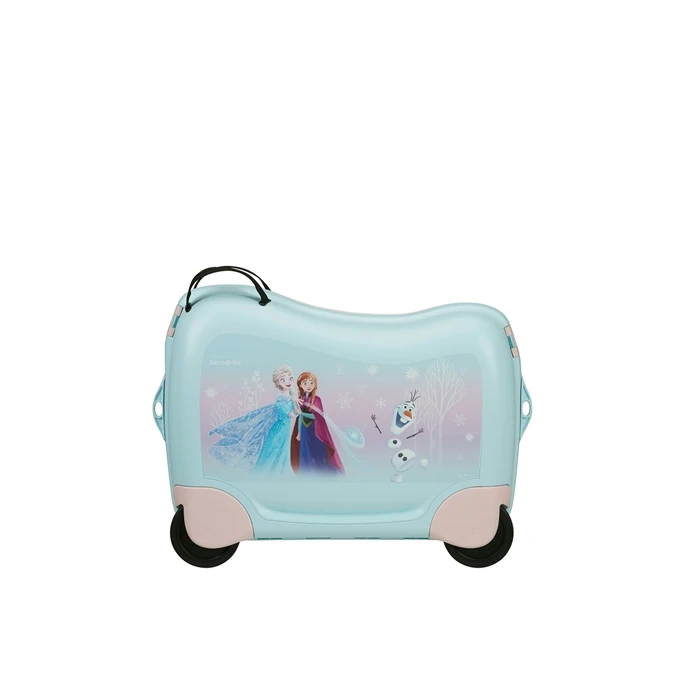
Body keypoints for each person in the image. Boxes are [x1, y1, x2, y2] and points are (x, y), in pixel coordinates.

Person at [208, 365, 298, 474]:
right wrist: (293, 402)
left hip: (285, 428)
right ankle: (267, 471)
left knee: (283, 448)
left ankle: (280, 471)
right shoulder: (281, 396)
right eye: (283, 379)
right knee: (274, 446)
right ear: (278, 382)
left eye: (290, 378)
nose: (287, 381)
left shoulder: (292, 397)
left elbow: (296, 411)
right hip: (278, 427)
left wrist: (300, 407)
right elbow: (285, 411)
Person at [290, 372, 344, 474]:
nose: (308, 386)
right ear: (300, 385)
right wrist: (299, 432)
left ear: (315, 384)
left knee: (317, 449)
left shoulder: (317, 399)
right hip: (304, 429)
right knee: (305, 449)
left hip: (315, 429)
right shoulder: (300, 399)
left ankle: (322, 472)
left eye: (311, 382)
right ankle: (308, 472)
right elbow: (300, 417)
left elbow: (316, 416)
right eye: (305, 383)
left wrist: (301, 413)